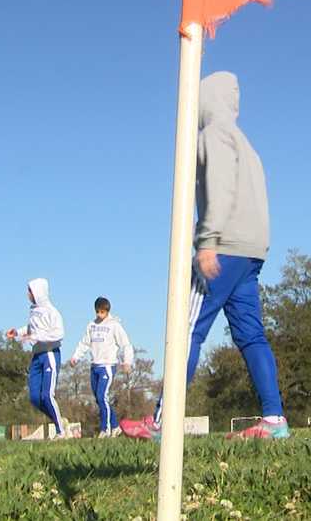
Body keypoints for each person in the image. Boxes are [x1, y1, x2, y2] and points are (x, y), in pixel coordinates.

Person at [121, 71, 289, 441]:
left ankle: (164, 422)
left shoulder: (213, 134)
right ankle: (275, 420)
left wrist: (208, 239)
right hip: (252, 252)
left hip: (224, 246)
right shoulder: (247, 145)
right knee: (251, 335)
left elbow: (220, 185)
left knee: (186, 329)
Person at [7, 278, 68, 438]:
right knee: (35, 397)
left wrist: (37, 336)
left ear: (39, 292)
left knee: (47, 395)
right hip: (36, 356)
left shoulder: (52, 312)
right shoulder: (34, 310)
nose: (28, 294)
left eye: (30, 291)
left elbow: (59, 334)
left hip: (49, 354)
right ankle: (59, 420)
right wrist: (18, 333)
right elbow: (31, 328)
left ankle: (61, 432)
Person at [68, 297, 135, 438]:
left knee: (102, 396)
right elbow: (84, 343)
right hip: (94, 366)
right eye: (98, 312)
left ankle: (106, 429)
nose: (100, 315)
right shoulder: (91, 325)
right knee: (99, 399)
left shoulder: (114, 325)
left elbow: (126, 344)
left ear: (107, 311)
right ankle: (116, 426)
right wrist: (76, 357)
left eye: (102, 312)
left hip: (108, 366)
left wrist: (127, 361)